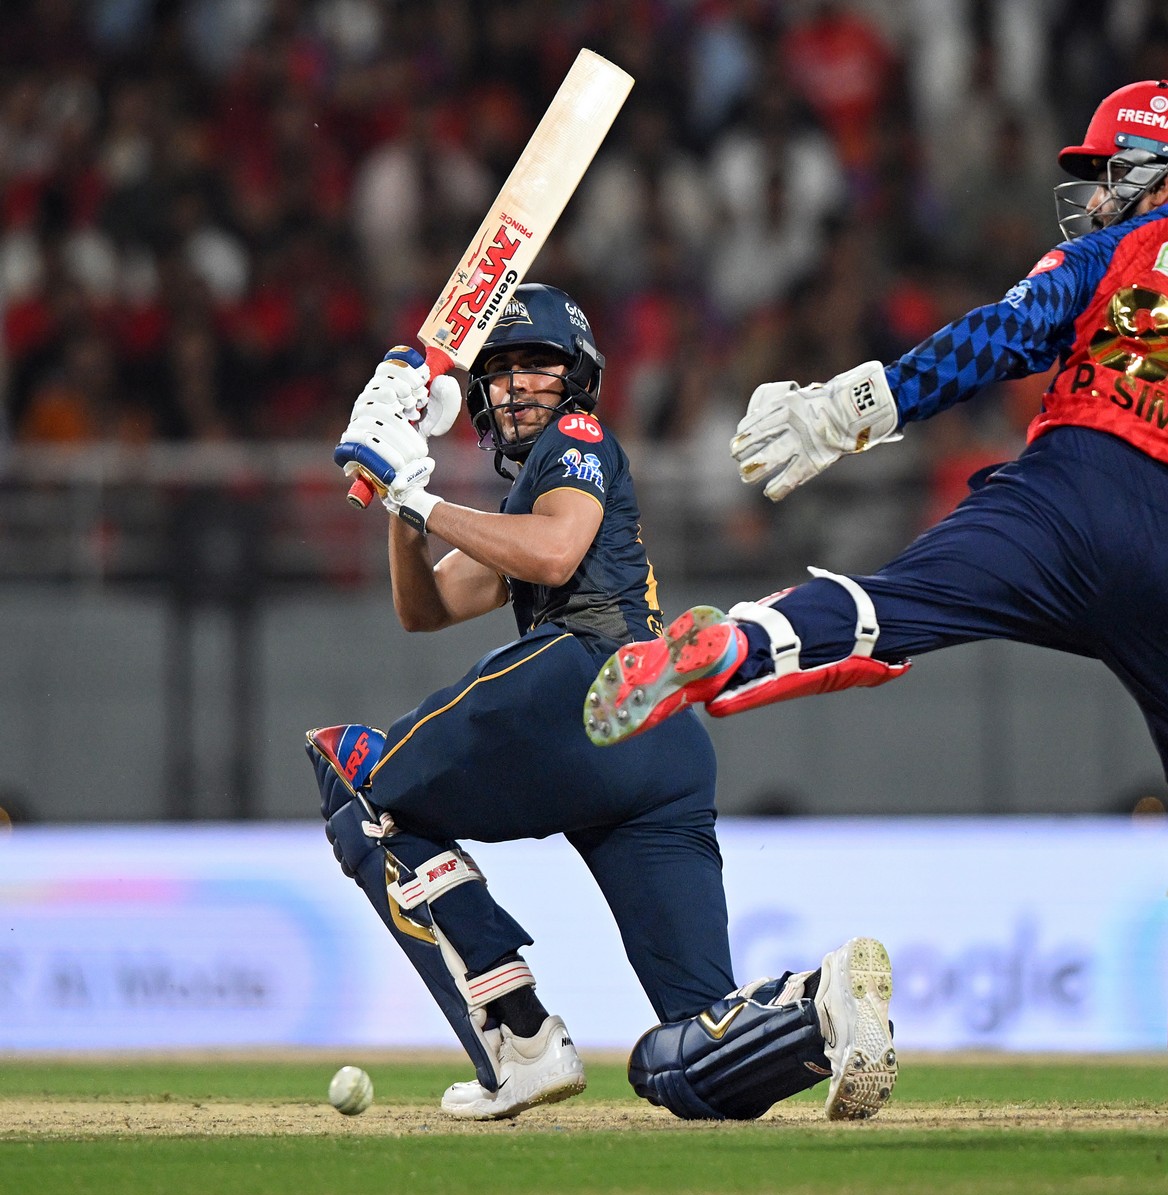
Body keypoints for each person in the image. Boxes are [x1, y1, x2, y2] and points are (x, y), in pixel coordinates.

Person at [583, 82, 1168, 1124]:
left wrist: (857, 405)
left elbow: (998, 338)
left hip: (1064, 498)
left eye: (1107, 171)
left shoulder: (1115, 255)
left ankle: (735, 643)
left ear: (1156, 172)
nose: (1094, 192)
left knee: (890, 608)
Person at [308, 283, 896, 1122]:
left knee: (355, 782)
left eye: (538, 366)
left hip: (584, 681)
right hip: (661, 747)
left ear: (576, 378)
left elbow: (552, 555)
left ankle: (522, 1042)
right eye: (501, 370)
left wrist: (418, 498)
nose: (516, 385)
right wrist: (406, 485)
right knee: (691, 1062)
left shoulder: (576, 439)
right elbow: (424, 609)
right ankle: (817, 1007)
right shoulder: (525, 495)